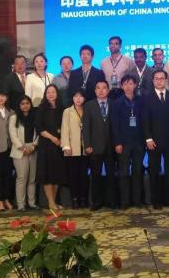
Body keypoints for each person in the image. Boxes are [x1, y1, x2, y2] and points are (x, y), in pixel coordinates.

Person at [143, 70, 169, 209]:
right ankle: (156, 200)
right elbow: (144, 120)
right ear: (153, 81)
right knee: (154, 171)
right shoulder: (146, 97)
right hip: (153, 141)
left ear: (166, 80)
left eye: (162, 78)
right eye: (156, 79)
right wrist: (148, 138)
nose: (159, 81)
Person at [111, 75, 145, 208]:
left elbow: (145, 121)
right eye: (125, 84)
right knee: (124, 172)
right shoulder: (117, 102)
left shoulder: (141, 101)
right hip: (123, 143)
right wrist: (117, 143)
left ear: (135, 85)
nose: (128, 86)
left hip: (139, 142)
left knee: (137, 172)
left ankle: (137, 200)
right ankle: (124, 201)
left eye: (131, 83)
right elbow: (115, 125)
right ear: (121, 86)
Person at [82, 80, 115, 210]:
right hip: (95, 146)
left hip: (111, 146)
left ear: (108, 90)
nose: (101, 90)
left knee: (111, 175)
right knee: (95, 176)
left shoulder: (114, 103)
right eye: (98, 88)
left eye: (104, 88)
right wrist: (87, 145)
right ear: (95, 91)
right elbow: (86, 127)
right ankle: (96, 202)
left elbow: (117, 126)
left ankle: (111, 201)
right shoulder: (88, 105)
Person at [35, 84, 66, 210]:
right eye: (48, 92)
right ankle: (51, 202)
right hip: (46, 144)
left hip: (59, 145)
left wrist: (62, 139)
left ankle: (55, 201)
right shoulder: (41, 108)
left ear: (57, 94)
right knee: (47, 174)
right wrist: (53, 138)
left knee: (57, 174)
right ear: (45, 95)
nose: (51, 94)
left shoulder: (62, 109)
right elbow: (39, 128)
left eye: (53, 92)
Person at [8, 95, 39, 211]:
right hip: (20, 150)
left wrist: (34, 145)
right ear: (19, 105)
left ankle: (31, 203)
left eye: (27, 103)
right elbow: (13, 135)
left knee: (32, 179)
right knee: (22, 178)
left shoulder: (35, 116)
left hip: (33, 148)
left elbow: (39, 133)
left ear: (30, 104)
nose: (25, 105)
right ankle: (21, 204)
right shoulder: (14, 117)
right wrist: (23, 148)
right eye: (22, 103)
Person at [61, 90, 88, 209]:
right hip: (72, 148)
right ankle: (74, 199)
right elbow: (64, 129)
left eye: (81, 96)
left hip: (85, 148)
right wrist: (66, 146)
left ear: (84, 98)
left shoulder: (87, 110)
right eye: (75, 96)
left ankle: (83, 199)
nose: (78, 99)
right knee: (73, 176)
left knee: (84, 176)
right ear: (72, 98)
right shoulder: (67, 111)